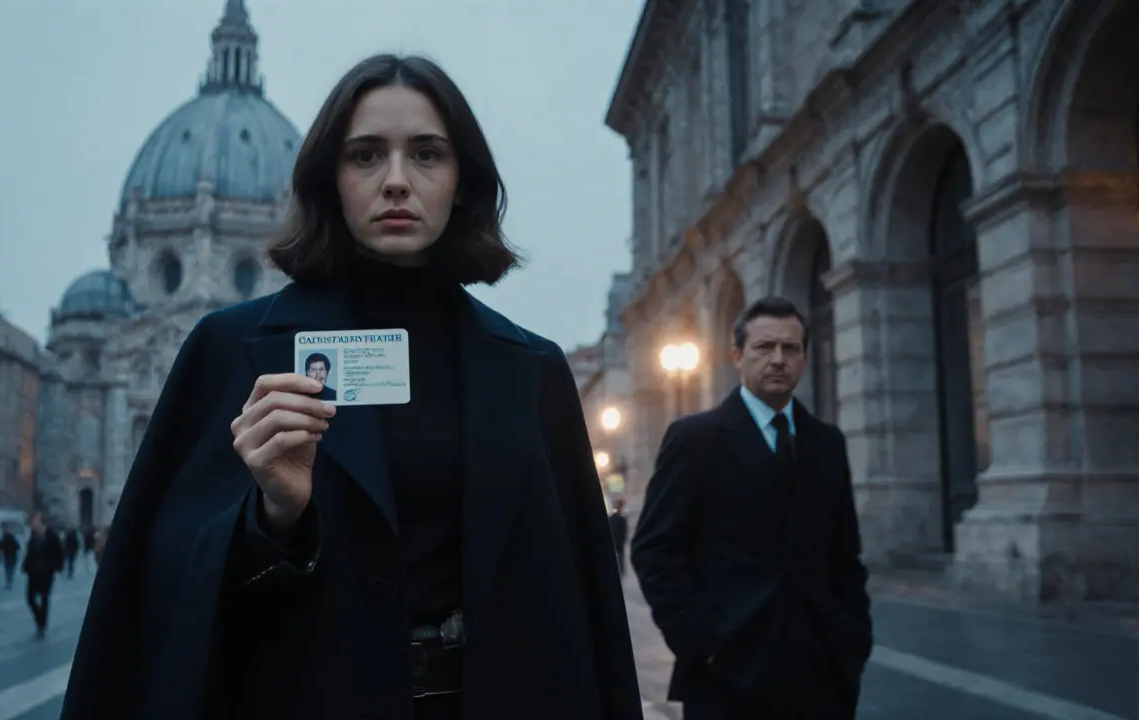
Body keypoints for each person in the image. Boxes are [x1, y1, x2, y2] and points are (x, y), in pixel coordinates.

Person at [62, 53, 642, 720]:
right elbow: (156, 587)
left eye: (427, 154)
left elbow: (581, 597)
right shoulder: (228, 350)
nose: (396, 180)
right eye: (366, 156)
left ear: (462, 179)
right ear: (328, 181)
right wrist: (274, 515)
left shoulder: (530, 368)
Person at [630, 296, 873, 719]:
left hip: (821, 675)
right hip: (725, 675)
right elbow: (654, 548)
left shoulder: (826, 442)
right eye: (764, 348)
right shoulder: (695, 440)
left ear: (803, 358)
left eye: (790, 348)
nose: (778, 359)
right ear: (738, 355)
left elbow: (844, 555)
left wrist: (852, 638)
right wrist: (696, 639)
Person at [22, 513, 64, 638]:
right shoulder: (33, 536)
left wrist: (58, 567)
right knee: (30, 598)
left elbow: (58, 552)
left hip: (47, 571)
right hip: (33, 571)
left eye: (34, 521)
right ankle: (39, 617)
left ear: (41, 522)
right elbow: (29, 552)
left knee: (45, 597)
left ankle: (42, 623)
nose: (33, 523)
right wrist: (26, 566)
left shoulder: (51, 536)